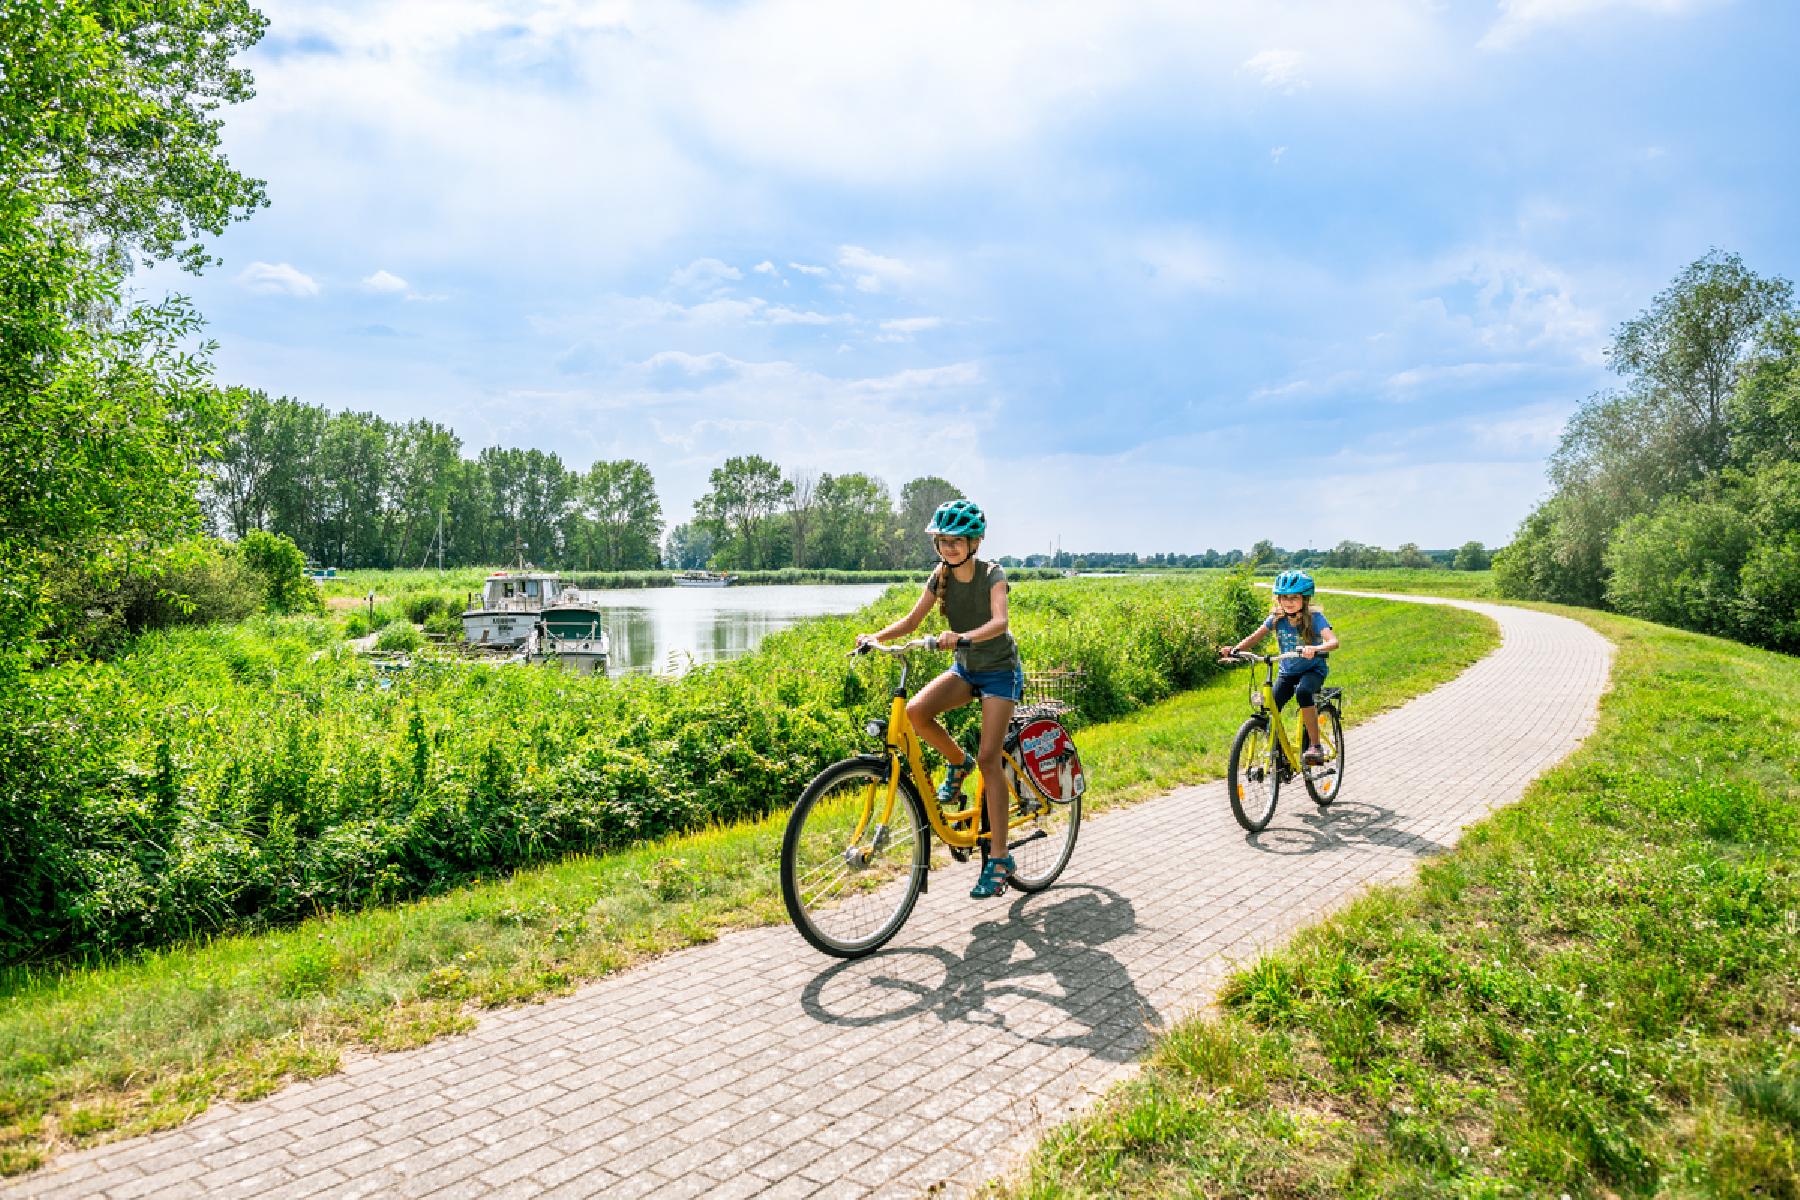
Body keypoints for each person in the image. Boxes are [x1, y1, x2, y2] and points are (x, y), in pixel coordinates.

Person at [856, 499, 1023, 898]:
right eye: (943, 541)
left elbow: (1000, 621)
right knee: (916, 712)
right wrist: (875, 637)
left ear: (974, 542)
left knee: (990, 758)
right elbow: (912, 621)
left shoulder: (992, 574)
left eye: (957, 540)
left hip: (999, 671)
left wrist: (961, 637)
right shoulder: (940, 576)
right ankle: (958, 762)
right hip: (966, 669)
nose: (949, 547)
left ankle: (1000, 858)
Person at [1220, 569, 1340, 765]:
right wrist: (1235, 650)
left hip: (1312, 670)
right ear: (1278, 599)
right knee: (1270, 706)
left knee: (1303, 693)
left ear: (1305, 599)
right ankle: (1278, 751)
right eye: (1284, 597)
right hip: (1287, 672)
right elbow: (1255, 637)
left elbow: (1333, 642)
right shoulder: (1277, 618)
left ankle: (1315, 746)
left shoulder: (1315, 618)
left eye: (1294, 597)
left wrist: (1315, 648)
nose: (1288, 602)